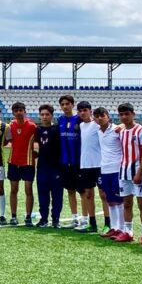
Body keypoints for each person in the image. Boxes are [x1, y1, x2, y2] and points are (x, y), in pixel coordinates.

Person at [116, 103, 142, 244]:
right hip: (124, 172)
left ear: (133, 114)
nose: (124, 117)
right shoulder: (122, 131)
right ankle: (128, 232)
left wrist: (140, 172)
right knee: (127, 203)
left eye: (127, 114)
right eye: (121, 114)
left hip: (138, 172)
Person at [94, 107, 128, 240]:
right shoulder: (98, 131)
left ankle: (123, 228)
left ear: (108, 116)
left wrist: (123, 125)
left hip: (117, 169)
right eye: (97, 116)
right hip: (105, 169)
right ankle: (114, 228)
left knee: (120, 200)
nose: (100, 118)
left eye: (102, 115)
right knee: (110, 201)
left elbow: (130, 126)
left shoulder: (117, 130)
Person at [6, 102, 37, 226]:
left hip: (28, 162)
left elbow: (38, 142)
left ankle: (28, 217)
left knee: (28, 190)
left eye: (20, 110)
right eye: (16, 110)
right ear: (13, 112)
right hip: (13, 161)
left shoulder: (32, 126)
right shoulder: (10, 126)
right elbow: (7, 141)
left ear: (24, 111)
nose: (18, 112)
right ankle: (13, 216)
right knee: (14, 189)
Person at [75, 101, 102, 233]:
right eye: (80, 111)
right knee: (88, 194)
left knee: (104, 195)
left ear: (90, 111)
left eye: (85, 110)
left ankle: (109, 224)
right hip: (85, 165)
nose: (82, 113)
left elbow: (113, 127)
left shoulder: (97, 125)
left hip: (99, 164)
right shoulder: (80, 126)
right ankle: (92, 223)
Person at [34, 104, 63, 228]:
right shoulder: (37, 130)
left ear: (52, 115)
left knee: (57, 195)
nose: (44, 117)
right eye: (42, 114)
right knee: (43, 195)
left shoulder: (57, 129)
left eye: (47, 114)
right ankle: (44, 219)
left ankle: (56, 219)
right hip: (42, 167)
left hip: (56, 167)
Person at [57, 95, 82, 228]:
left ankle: (85, 218)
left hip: (78, 162)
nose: (65, 106)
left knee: (83, 192)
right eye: (63, 104)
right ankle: (75, 218)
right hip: (64, 162)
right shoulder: (59, 119)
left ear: (73, 105)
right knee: (70, 190)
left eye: (67, 104)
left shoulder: (80, 119)